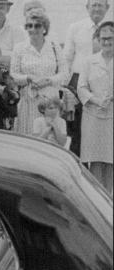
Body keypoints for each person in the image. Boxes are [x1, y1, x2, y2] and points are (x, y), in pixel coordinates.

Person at [10, 8, 69, 137]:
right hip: (28, 100)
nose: (33, 29)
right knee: (28, 136)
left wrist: (49, 81)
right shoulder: (20, 48)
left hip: (50, 102)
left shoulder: (54, 47)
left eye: (37, 25)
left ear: (44, 28)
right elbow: (14, 74)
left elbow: (64, 72)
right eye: (29, 25)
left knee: (50, 136)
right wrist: (29, 78)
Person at [64, 1, 111, 156]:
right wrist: (66, 88)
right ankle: (78, 168)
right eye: (93, 5)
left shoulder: (111, 30)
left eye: (100, 5)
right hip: (78, 82)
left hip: (104, 80)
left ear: (107, 8)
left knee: (104, 129)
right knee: (77, 129)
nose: (97, 9)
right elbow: (67, 58)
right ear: (87, 8)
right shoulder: (75, 28)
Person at [77, 19, 113, 193]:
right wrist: (97, 100)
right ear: (98, 39)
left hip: (112, 116)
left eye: (111, 38)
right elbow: (81, 87)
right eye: (104, 38)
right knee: (96, 160)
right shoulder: (89, 61)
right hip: (92, 115)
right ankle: (97, 199)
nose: (107, 42)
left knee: (111, 159)